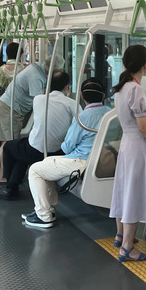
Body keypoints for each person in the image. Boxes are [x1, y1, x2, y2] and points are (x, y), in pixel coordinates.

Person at [22, 78, 110, 229]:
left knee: (35, 170)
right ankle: (47, 209)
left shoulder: (82, 118)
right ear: (103, 96)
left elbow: (68, 146)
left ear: (82, 96)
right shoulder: (110, 114)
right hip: (102, 160)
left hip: (79, 161)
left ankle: (44, 216)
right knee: (46, 167)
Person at [109, 46, 146, 262]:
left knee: (124, 190)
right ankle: (128, 247)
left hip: (127, 145)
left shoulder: (122, 88)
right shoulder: (136, 90)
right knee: (133, 194)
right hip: (139, 147)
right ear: (144, 65)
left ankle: (121, 235)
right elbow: (143, 126)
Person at [0, 71, 77, 200]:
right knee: (22, 153)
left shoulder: (38, 99)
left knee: (9, 147)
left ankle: (9, 185)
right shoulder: (72, 104)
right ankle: (11, 186)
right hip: (60, 150)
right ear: (67, 87)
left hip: (37, 149)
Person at [0, 52, 64, 142]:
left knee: (6, 143)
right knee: (12, 143)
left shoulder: (37, 67)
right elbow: (38, 102)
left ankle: (1, 156)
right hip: (11, 109)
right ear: (54, 71)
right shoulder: (36, 77)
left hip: (7, 105)